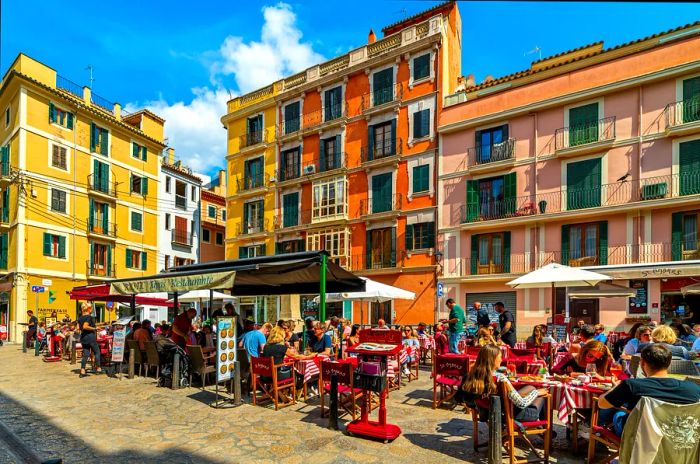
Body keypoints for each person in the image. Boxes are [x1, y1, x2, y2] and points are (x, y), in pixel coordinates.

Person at [598, 344, 700, 437]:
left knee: (618, 414)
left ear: (642, 363)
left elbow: (602, 403)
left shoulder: (631, 385)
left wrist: (615, 387)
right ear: (669, 364)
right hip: (678, 441)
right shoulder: (693, 389)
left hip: (641, 441)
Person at [461, 344, 548, 422]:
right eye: (500, 357)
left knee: (531, 387)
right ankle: (545, 431)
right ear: (492, 359)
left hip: (489, 412)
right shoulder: (500, 378)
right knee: (543, 397)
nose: (501, 359)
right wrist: (537, 393)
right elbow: (522, 404)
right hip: (512, 415)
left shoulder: (472, 376)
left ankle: (542, 429)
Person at [77, 302, 101, 377]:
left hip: (83, 338)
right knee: (97, 352)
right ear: (89, 309)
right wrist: (95, 328)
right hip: (90, 337)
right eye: (92, 309)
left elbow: (78, 328)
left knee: (86, 354)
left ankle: (82, 370)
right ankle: (98, 368)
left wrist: (96, 325)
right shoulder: (89, 317)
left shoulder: (80, 318)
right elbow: (85, 326)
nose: (92, 310)